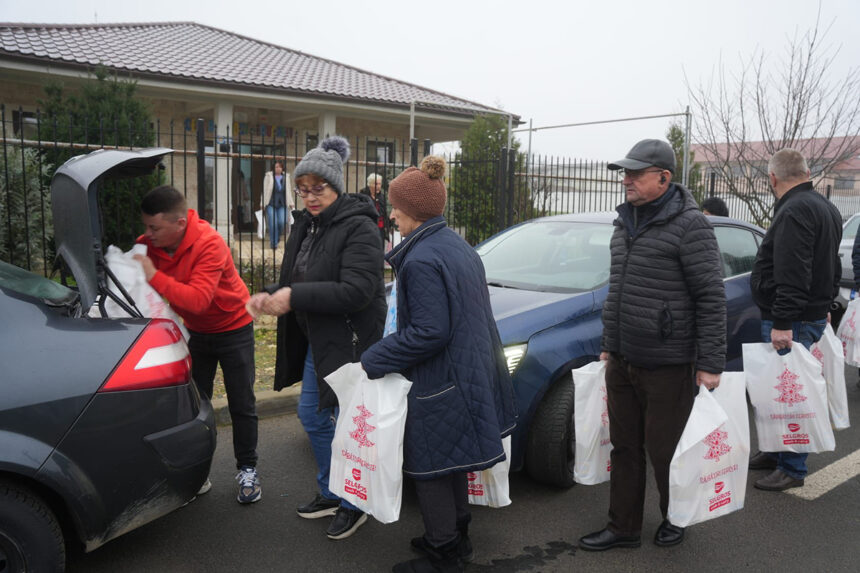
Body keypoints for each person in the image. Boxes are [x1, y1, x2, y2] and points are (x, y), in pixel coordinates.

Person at [361, 156, 518, 573]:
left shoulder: (420, 260)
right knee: (453, 459)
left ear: (413, 210)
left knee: (431, 464)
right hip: (465, 372)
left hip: (440, 379)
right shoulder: (456, 245)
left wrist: (374, 357)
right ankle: (455, 534)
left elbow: (429, 332)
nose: (392, 214)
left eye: (396, 207)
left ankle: (443, 551)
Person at [579, 139, 726, 552]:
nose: (626, 180)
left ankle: (675, 517)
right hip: (623, 358)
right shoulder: (623, 222)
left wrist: (710, 363)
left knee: (667, 451)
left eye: (635, 173)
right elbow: (618, 291)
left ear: (663, 178)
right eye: (624, 173)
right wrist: (610, 344)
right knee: (624, 448)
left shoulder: (691, 225)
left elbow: (711, 296)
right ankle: (623, 527)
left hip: (668, 363)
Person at [246, 136, 386, 540]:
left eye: (317, 188)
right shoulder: (306, 225)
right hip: (318, 339)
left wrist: (294, 296)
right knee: (312, 415)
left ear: (335, 186)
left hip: (351, 342)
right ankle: (332, 491)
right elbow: (297, 277)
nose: (309, 196)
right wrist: (271, 292)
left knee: (349, 426)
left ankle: (354, 503)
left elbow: (357, 291)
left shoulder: (360, 227)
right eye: (302, 189)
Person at [134, 185, 261, 504]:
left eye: (154, 228)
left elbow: (198, 301)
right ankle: (197, 473)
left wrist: (152, 275)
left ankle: (247, 469)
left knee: (241, 404)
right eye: (146, 227)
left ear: (179, 224)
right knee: (194, 408)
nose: (147, 235)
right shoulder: (150, 244)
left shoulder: (210, 243)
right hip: (196, 333)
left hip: (234, 328)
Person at [748, 148, 842, 491]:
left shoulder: (794, 209)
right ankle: (775, 452)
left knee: (790, 395)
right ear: (806, 173)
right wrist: (826, 302)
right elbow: (830, 263)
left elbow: (793, 271)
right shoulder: (826, 207)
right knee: (778, 391)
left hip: (793, 318)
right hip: (808, 313)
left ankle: (791, 467)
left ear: (773, 178)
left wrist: (783, 322)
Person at [262, 160, 295, 249]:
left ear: (282, 168)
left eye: (280, 167)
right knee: (273, 223)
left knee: (282, 222)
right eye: (276, 167)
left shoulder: (286, 177)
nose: (278, 168)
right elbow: (264, 190)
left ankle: (277, 237)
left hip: (282, 204)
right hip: (271, 203)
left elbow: (288, 191)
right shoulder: (268, 176)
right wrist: (262, 203)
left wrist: (291, 202)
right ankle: (273, 243)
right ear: (273, 168)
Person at [360, 173, 390, 247]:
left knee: (380, 247)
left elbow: (384, 213)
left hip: (380, 228)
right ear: (370, 184)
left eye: (379, 184)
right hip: (368, 227)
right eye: (376, 184)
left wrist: (387, 227)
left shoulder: (382, 196)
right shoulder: (363, 195)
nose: (378, 186)